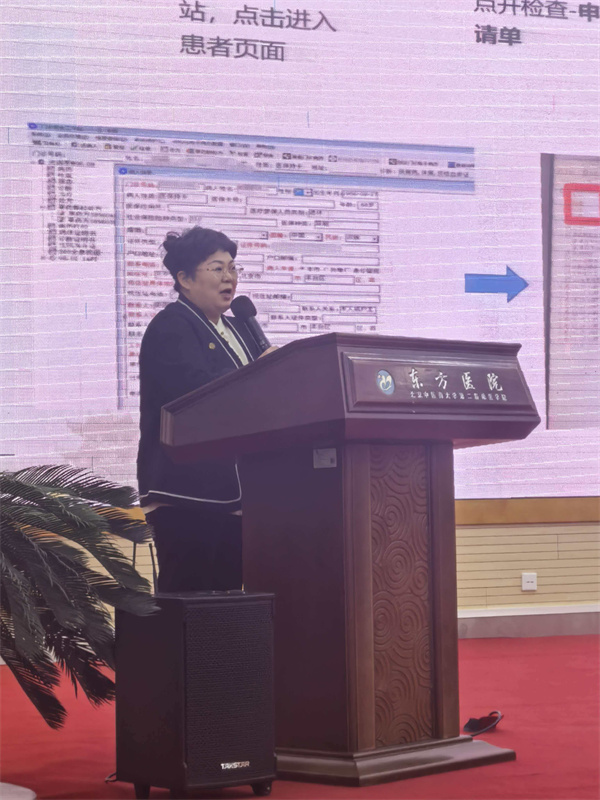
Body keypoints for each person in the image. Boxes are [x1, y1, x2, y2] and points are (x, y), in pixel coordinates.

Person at [137, 226, 272, 593]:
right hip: (187, 493)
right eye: (217, 268)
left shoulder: (240, 329)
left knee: (228, 604)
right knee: (191, 601)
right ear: (184, 279)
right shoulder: (171, 326)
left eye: (232, 267)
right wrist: (262, 373)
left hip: (237, 492)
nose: (229, 277)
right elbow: (196, 390)